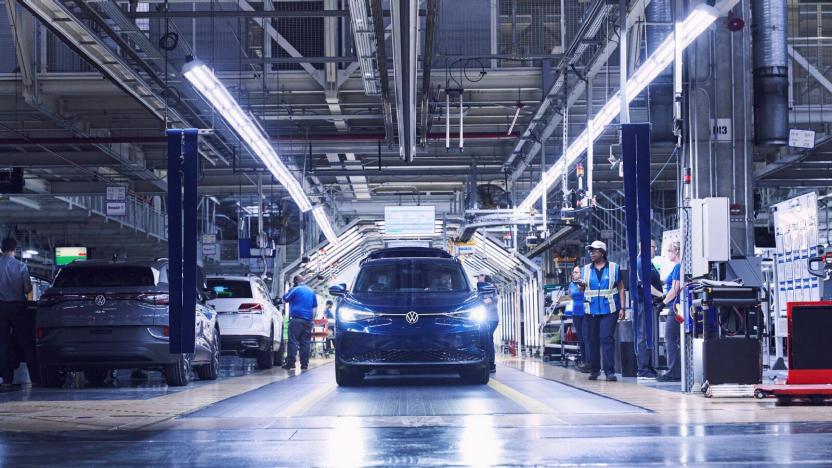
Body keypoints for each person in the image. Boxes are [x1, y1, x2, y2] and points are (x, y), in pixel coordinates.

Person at [580, 240, 625, 382]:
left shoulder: (614, 268)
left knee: (606, 339)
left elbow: (621, 288)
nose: (591, 253)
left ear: (602, 252)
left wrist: (623, 307)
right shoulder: (585, 269)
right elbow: (583, 289)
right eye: (590, 251)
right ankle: (594, 370)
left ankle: (609, 372)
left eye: (594, 250)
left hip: (610, 309)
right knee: (592, 340)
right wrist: (581, 286)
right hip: (591, 310)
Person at [0, 238, 33, 389]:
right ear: (15, 248)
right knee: (25, 341)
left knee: (3, 343)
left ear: (2, 248)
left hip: (1, 307)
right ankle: (35, 377)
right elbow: (27, 289)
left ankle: (7, 379)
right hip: (18, 308)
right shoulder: (21, 266)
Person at [634, 239, 663, 378]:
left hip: (650, 304)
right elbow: (645, 285)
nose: (655, 250)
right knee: (644, 336)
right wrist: (662, 294)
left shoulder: (648, 263)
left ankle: (649, 366)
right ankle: (643, 368)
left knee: (649, 336)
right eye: (654, 247)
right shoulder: (640, 263)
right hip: (642, 305)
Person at [658, 241, 683, 382]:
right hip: (676, 305)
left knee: (670, 337)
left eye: (669, 250)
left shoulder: (679, 266)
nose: (668, 253)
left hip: (676, 308)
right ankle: (676, 370)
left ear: (677, 251)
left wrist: (663, 303)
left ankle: (673, 371)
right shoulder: (676, 267)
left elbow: (675, 290)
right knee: (675, 338)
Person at [282, 275, 318, 370]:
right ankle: (304, 364)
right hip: (308, 321)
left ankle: (291, 364)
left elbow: (285, 298)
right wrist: (312, 320)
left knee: (293, 341)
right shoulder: (311, 291)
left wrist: (289, 290)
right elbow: (314, 308)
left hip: (296, 320)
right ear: (303, 280)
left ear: (295, 281)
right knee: (305, 343)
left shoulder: (296, 289)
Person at [565, 265, 590, 373]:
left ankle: (589, 362)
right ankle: (583, 361)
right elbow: (571, 296)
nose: (573, 274)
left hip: (585, 312)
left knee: (586, 337)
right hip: (576, 313)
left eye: (576, 272)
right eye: (573, 272)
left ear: (581, 273)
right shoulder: (571, 285)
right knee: (580, 338)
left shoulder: (585, 284)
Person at [476, 270, 499, 374]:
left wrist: (476, 303)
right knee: (485, 340)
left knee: (488, 340)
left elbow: (488, 300)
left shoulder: (489, 287)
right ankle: (486, 363)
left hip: (490, 318)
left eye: (479, 276)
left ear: (484, 276)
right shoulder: (482, 288)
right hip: (487, 318)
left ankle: (490, 364)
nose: (477, 279)